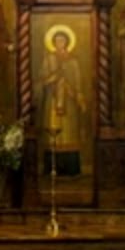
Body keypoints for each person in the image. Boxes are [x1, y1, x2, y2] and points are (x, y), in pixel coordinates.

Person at [39, 29, 87, 176]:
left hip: (69, 100)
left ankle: (71, 168)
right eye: (57, 40)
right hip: (53, 100)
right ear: (53, 42)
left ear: (67, 42)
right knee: (53, 129)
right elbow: (42, 79)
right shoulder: (48, 59)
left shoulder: (73, 60)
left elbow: (78, 81)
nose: (60, 43)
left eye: (62, 40)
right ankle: (52, 167)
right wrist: (53, 78)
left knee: (69, 131)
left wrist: (78, 94)